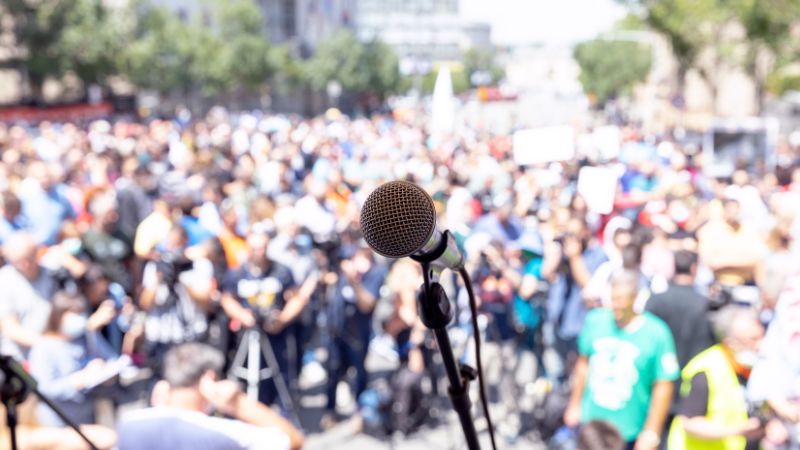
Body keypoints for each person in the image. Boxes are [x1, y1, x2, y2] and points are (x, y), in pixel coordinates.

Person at [564, 270, 678, 449]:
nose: (617, 306)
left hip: (629, 428)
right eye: (614, 299)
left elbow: (663, 384)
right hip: (593, 424)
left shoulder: (656, 333)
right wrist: (575, 404)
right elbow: (583, 364)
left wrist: (652, 431)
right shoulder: (596, 320)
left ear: (635, 298)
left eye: (622, 300)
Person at [116, 342, 303, 450]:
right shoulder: (224, 433)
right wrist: (239, 404)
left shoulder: (128, 425)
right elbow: (292, 441)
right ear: (209, 378)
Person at [221, 227, 309, 407]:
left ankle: (283, 414)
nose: (259, 253)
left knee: (279, 378)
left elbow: (297, 299)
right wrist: (241, 314)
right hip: (248, 335)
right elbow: (227, 298)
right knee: (244, 379)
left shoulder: (281, 270)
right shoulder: (238, 272)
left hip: (276, 335)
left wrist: (283, 318)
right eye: (255, 248)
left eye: (263, 248)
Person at [667, 307, 767, 450]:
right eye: (753, 339)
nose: (760, 345)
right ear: (730, 342)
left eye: (761, 336)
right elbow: (690, 423)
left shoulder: (756, 366)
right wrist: (738, 431)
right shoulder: (706, 369)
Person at [28, 290, 118, 427]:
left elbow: (111, 358)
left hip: (89, 417)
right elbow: (44, 389)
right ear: (59, 316)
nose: (79, 319)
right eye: (74, 315)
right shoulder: (43, 348)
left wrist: (104, 372)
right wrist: (77, 381)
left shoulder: (86, 336)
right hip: (59, 423)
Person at [321, 245, 386, 429]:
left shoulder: (376, 273)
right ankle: (330, 411)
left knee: (360, 373)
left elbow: (367, 304)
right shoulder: (343, 267)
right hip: (336, 329)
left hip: (359, 333)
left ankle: (361, 413)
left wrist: (353, 281)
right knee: (332, 371)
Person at [542, 215, 608, 381]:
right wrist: (557, 252)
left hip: (581, 326)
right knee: (555, 373)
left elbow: (589, 286)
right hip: (558, 324)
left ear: (585, 232)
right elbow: (546, 273)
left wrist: (575, 257)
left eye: (574, 235)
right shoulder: (562, 252)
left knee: (578, 378)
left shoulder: (598, 254)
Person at [139, 225, 214, 371]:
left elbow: (208, 303)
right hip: (162, 337)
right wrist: (160, 279)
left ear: (185, 243)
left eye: (177, 244)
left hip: (191, 335)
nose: (172, 249)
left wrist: (181, 278)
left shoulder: (198, 265)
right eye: (170, 244)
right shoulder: (156, 267)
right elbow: (145, 303)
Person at [0, 232, 61, 360]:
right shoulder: (4, 281)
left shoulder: (51, 273)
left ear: (38, 253)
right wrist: (46, 343)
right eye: (18, 261)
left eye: (28, 259)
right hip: (25, 357)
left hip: (56, 349)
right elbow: (10, 328)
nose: (25, 265)